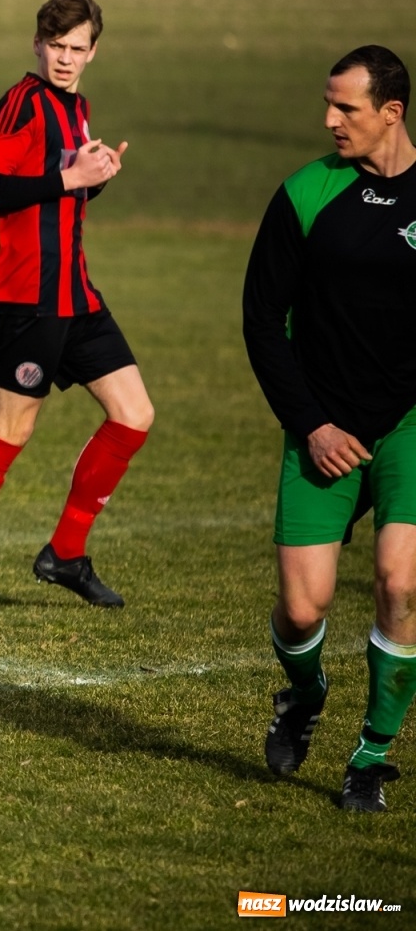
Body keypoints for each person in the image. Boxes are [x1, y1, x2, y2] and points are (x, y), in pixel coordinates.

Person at [0, 0, 152, 610]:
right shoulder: (22, 102)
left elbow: (59, 197)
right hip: (30, 298)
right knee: (11, 430)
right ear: (37, 43)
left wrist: (91, 181)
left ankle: (65, 556)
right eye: (56, 46)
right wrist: (70, 177)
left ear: (94, 51)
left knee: (135, 414)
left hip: (77, 294)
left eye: (78, 48)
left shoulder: (76, 107)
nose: (65, 58)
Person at [243, 45, 416, 813]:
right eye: (328, 104)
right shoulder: (308, 191)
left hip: (410, 426)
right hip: (322, 427)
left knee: (399, 583)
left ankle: (371, 759)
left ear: (392, 112)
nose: (329, 120)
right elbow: (260, 320)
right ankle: (303, 696)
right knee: (304, 608)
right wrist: (309, 422)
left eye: (346, 107)